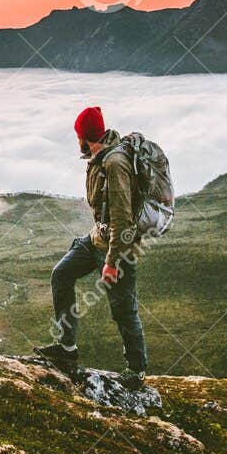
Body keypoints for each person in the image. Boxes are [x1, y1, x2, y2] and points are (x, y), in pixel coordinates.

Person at [35, 105, 148, 388]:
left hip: (117, 248)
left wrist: (111, 262)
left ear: (86, 137)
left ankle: (136, 372)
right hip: (97, 237)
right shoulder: (99, 157)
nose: (77, 142)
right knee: (61, 274)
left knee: (123, 310)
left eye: (78, 136)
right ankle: (67, 350)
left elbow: (123, 220)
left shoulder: (114, 163)